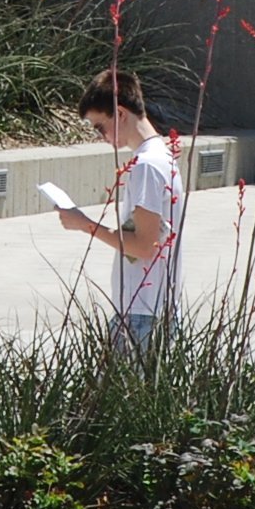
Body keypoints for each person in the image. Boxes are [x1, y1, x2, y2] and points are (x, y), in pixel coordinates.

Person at [56, 67, 184, 347]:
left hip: (142, 313)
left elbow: (143, 246)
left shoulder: (147, 166)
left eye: (100, 126)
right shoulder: (160, 157)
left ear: (122, 114)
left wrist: (83, 224)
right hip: (152, 308)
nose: (101, 136)